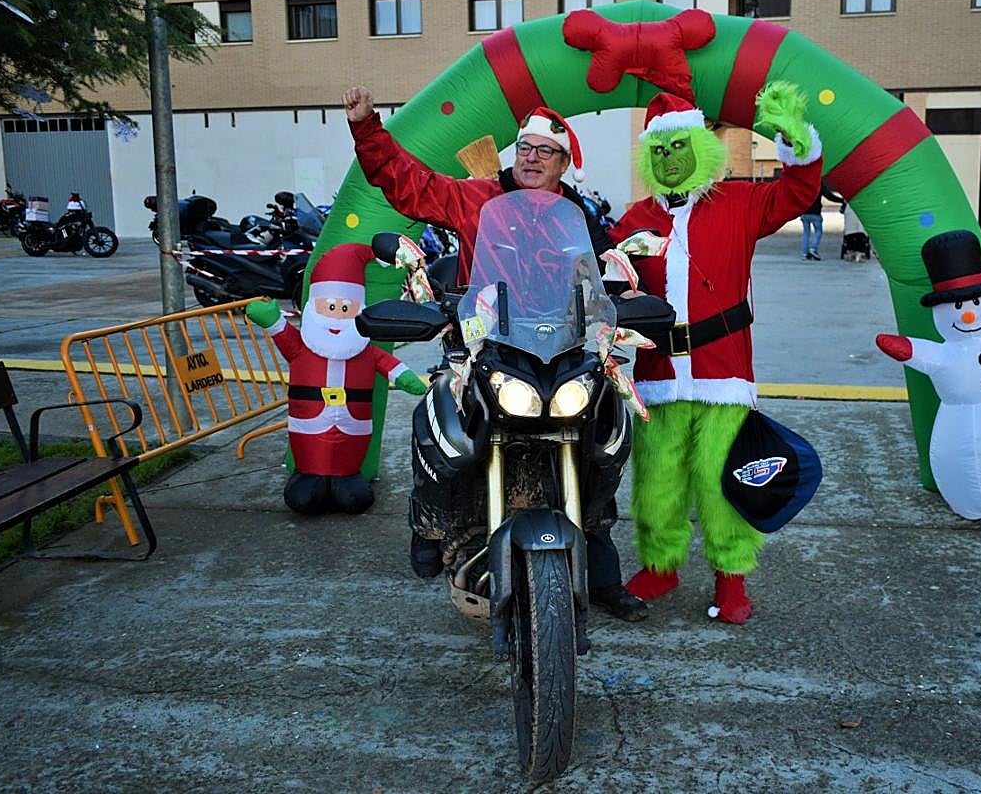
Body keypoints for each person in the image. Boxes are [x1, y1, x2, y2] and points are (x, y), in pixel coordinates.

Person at [342, 84, 647, 622]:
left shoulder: (577, 214)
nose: (531, 158)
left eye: (544, 151)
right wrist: (368, 128)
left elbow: (603, 275)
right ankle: (431, 524)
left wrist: (627, 297)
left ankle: (602, 576)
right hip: (483, 346)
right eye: (524, 148)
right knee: (437, 421)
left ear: (564, 162)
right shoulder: (476, 197)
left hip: (560, 349)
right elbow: (407, 185)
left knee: (605, 435)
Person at [609, 83, 823, 624]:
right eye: (658, 151)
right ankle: (660, 567)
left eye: (678, 146)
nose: (669, 159)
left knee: (722, 479)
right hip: (656, 376)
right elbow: (606, 285)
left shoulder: (741, 203)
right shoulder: (634, 219)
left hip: (724, 373)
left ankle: (731, 578)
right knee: (656, 482)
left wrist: (796, 142)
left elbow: (797, 194)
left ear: (701, 147)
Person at [245, 243, 428, 514]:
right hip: (309, 428)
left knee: (354, 496)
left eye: (346, 308)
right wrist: (271, 320)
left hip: (353, 429)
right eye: (329, 306)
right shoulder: (302, 346)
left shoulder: (364, 350)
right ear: (313, 307)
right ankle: (310, 475)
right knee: (304, 497)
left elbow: (388, 364)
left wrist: (406, 378)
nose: (337, 315)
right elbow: (282, 332)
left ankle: (347, 478)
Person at [798, 181, 843, 261]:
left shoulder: (803, 183)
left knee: (806, 233)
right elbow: (829, 196)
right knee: (818, 231)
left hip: (804, 212)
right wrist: (842, 200)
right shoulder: (818, 183)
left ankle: (804, 253)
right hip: (815, 213)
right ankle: (813, 249)